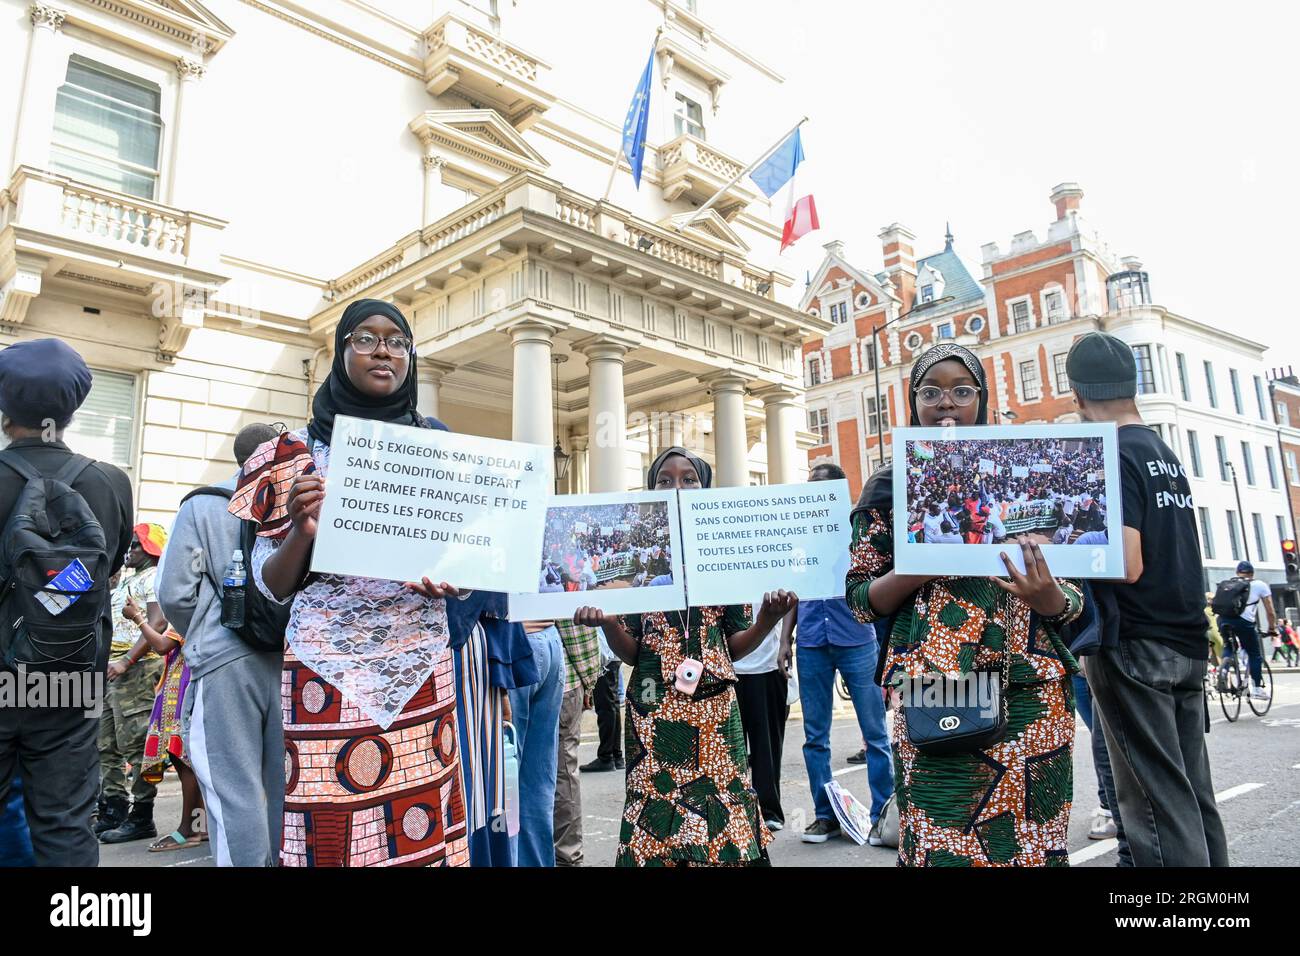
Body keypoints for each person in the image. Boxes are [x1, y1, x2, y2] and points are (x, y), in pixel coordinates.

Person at [230, 298, 469, 867]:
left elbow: (466, 565)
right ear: (340, 352)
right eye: (365, 338)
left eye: (397, 341)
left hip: (418, 672)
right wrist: (301, 531)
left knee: (420, 829)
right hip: (325, 677)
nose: (383, 350)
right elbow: (270, 586)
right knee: (328, 827)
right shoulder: (291, 456)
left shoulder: (440, 450)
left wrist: (453, 581)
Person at [846, 343, 1083, 867]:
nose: (946, 403)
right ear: (913, 403)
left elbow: (1075, 598)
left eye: (961, 391)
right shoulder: (888, 486)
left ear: (981, 398)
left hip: (1030, 688)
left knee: (1030, 847)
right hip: (937, 687)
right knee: (942, 846)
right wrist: (919, 564)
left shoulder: (1026, 471)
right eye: (931, 393)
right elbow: (861, 599)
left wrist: (1050, 597)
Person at [574, 447, 796, 866]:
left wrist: (767, 621)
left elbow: (732, 647)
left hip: (714, 711)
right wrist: (607, 624)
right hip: (652, 708)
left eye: (689, 478)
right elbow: (632, 652)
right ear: (651, 489)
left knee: (721, 802)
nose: (677, 486)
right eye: (665, 479)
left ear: (705, 486)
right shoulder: (636, 559)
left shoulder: (723, 555)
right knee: (657, 808)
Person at [1068, 331, 1228, 867]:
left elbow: (1128, 562)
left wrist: (1061, 548)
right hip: (1183, 638)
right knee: (1192, 793)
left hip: (1134, 643)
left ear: (1077, 394)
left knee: (1154, 805)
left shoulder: (1109, 453)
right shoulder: (1161, 450)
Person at [0, 338, 134, 865]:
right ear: (75, 407)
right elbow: (112, 569)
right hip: (69, 673)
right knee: (65, 822)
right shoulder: (110, 483)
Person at [157, 422, 283, 866]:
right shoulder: (302, 499)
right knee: (285, 784)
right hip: (293, 663)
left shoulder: (205, 504)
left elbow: (174, 592)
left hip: (224, 661)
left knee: (233, 788)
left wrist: (209, 628)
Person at [779, 462, 892, 845]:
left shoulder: (859, 531)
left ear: (839, 493)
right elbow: (792, 592)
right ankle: (825, 816)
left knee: (875, 733)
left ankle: (881, 815)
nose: (813, 494)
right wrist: (784, 642)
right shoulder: (800, 536)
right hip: (811, 642)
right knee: (815, 737)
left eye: (821, 489)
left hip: (857, 639)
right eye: (809, 487)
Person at [99, 522, 169, 844]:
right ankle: (113, 810)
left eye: (137, 546)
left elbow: (159, 622)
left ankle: (142, 816)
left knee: (138, 746)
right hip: (115, 671)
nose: (130, 551)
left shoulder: (153, 577)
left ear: (151, 550)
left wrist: (127, 661)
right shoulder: (131, 578)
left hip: (137, 670)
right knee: (107, 746)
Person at [129, 615, 204, 853]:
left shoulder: (188, 611)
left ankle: (187, 830)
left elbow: (162, 645)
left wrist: (138, 619)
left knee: (183, 760)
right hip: (181, 684)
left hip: (181, 689)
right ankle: (199, 827)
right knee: (190, 761)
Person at [734, 600, 790, 832]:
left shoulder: (768, 565)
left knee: (766, 748)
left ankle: (768, 811)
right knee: (728, 750)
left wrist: (785, 641)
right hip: (727, 668)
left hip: (766, 666)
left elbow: (791, 598)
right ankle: (734, 811)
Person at [553, 618, 602, 866]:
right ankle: (567, 854)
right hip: (563, 678)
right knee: (564, 769)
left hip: (515, 672)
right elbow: (577, 631)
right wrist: (589, 681)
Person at [1215, 561, 1273, 700]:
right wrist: (1272, 628)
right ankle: (1257, 689)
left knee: (1229, 646)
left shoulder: (1227, 584)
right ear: (1252, 573)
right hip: (1244, 623)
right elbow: (1270, 611)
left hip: (1223, 620)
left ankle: (1223, 670)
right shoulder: (1260, 585)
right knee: (1254, 654)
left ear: (1237, 573)